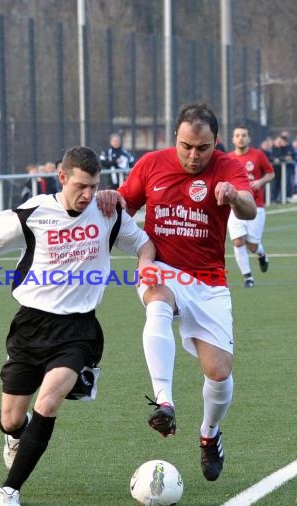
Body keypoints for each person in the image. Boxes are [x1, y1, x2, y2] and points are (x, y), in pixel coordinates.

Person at [0, 145, 155, 506]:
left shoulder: (108, 212)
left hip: (78, 329)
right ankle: (14, 437)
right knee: (10, 419)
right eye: (81, 186)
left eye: (94, 186)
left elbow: (144, 244)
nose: (88, 194)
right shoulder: (36, 212)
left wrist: (146, 269)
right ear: (62, 178)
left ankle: (10, 489)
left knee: (49, 399)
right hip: (30, 326)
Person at [98, 103, 256, 482]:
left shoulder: (228, 167)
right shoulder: (152, 163)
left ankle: (208, 435)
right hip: (162, 267)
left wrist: (234, 196)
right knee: (157, 300)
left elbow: (248, 209)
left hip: (208, 280)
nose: (193, 155)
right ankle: (164, 401)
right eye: (186, 146)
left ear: (215, 143)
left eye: (202, 148)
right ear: (176, 138)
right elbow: (124, 205)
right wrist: (110, 198)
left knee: (218, 373)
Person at [227, 126, 275, 287]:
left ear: (249, 138)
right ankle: (248, 278)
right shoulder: (227, 159)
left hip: (255, 206)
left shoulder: (258, 155)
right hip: (234, 207)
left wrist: (260, 182)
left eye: (244, 135)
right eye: (237, 135)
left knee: (253, 246)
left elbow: (271, 173)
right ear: (233, 139)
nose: (240, 138)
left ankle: (261, 255)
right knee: (238, 241)